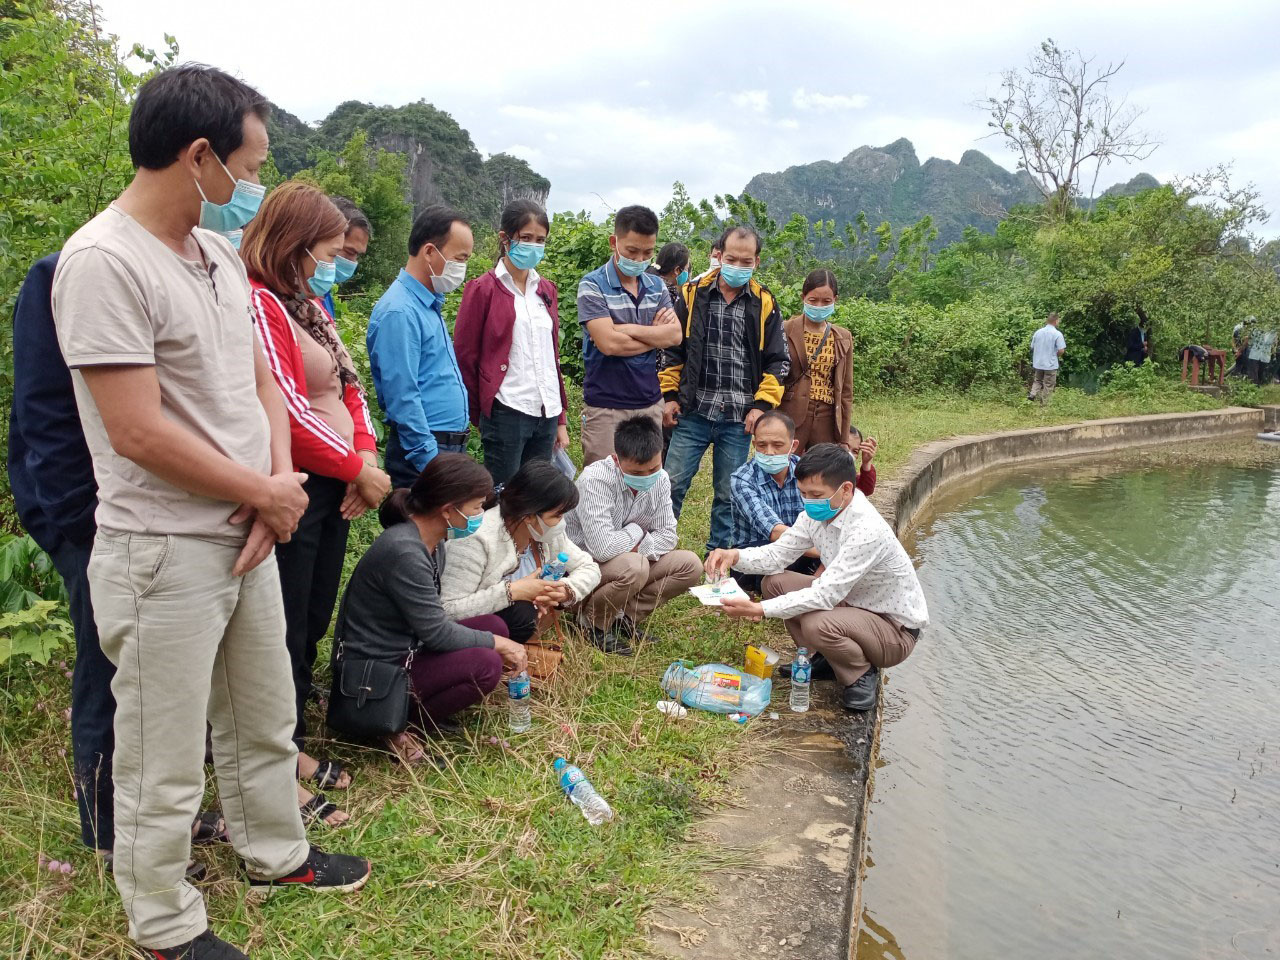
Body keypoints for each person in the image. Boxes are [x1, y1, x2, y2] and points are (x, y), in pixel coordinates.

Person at [49, 64, 369, 960]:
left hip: (248, 530)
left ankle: (276, 850)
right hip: (163, 549)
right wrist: (259, 492)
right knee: (161, 749)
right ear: (198, 157)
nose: (252, 187)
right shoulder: (104, 262)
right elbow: (137, 430)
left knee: (263, 712)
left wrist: (276, 489)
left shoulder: (217, 256)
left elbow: (260, 380)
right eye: (249, 165)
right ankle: (162, 922)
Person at [8, 254, 234, 882]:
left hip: (160, 513)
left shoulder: (187, 272)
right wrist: (80, 520)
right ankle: (108, 830)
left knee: (160, 677)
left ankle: (171, 817)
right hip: (97, 517)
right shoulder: (72, 271)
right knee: (109, 667)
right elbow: (46, 412)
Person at [243, 181, 391, 827]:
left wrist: (366, 460)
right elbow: (288, 408)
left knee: (310, 617)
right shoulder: (260, 303)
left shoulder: (309, 305)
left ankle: (291, 742)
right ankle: (271, 755)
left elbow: (348, 386)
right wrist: (355, 465)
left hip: (336, 483)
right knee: (282, 624)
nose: (330, 263)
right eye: (326, 251)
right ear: (295, 245)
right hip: (294, 482)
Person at [333, 454, 529, 759]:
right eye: (476, 507)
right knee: (486, 664)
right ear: (448, 510)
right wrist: (498, 645)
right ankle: (394, 724)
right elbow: (437, 633)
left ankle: (419, 706)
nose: (480, 514)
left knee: (495, 625)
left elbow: (432, 621)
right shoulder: (404, 553)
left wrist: (495, 638)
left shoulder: (432, 542)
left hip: (409, 646)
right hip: (378, 673)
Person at [706, 444, 928, 712]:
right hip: (852, 605)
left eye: (816, 494)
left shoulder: (865, 530)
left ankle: (858, 674)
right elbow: (778, 554)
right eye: (803, 494)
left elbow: (825, 594)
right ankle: (823, 658)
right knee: (774, 583)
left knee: (816, 623)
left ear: (846, 489)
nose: (808, 501)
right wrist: (735, 556)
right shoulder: (817, 514)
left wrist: (759, 609)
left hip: (892, 630)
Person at [661, 224, 790, 551]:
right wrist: (670, 396)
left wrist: (761, 406)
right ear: (719, 255)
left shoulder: (764, 303)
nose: (738, 266)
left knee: (728, 493)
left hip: (738, 418)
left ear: (756, 262)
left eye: (746, 261)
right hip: (693, 411)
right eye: (731, 258)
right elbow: (673, 348)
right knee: (671, 485)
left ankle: (718, 559)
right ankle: (658, 552)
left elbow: (779, 361)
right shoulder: (692, 294)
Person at [454, 199, 569, 484]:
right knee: (503, 496)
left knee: (536, 497)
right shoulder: (483, 289)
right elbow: (465, 356)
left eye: (540, 240)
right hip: (507, 410)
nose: (533, 246)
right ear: (505, 239)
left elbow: (551, 356)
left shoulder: (546, 290)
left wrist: (561, 418)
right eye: (526, 238)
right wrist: (482, 414)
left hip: (546, 410)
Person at [566, 416, 701, 653]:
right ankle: (592, 623)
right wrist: (637, 531)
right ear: (617, 460)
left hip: (624, 563)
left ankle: (623, 619)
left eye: (653, 468)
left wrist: (637, 547)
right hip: (584, 569)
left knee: (690, 565)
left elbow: (669, 535)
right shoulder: (595, 480)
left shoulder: (660, 480)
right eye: (637, 472)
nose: (647, 476)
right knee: (635, 566)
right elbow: (601, 549)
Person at [439, 460, 601, 650]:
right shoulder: (477, 540)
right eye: (557, 515)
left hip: (511, 619)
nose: (562, 522)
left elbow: (590, 567)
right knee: (521, 613)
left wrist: (565, 590)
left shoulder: (546, 533)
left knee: (561, 574)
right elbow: (447, 610)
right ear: (529, 515)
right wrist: (512, 591)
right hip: (469, 631)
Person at [368, 204, 474, 487]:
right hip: (425, 455)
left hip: (444, 448)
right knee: (418, 530)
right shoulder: (400, 311)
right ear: (430, 252)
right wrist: (431, 461)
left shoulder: (426, 305)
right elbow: (402, 397)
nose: (462, 269)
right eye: (459, 258)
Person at [576, 204, 683, 465]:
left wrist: (626, 329)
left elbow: (675, 336)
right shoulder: (592, 284)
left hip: (649, 401)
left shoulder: (657, 285)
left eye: (647, 253)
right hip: (605, 405)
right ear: (614, 242)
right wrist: (654, 336)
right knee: (602, 484)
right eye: (631, 251)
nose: (638, 260)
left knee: (646, 481)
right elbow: (609, 344)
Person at [728, 410, 819, 595]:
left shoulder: (808, 473)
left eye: (777, 445)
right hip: (759, 550)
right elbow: (774, 532)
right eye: (762, 445)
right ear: (754, 444)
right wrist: (827, 551)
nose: (769, 452)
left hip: (802, 549)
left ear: (793, 446)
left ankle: (812, 584)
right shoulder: (742, 480)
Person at [778, 268, 853, 452]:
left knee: (821, 475)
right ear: (803, 297)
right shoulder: (785, 329)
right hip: (790, 415)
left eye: (826, 301)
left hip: (826, 418)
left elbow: (845, 392)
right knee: (785, 471)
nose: (819, 306)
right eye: (813, 300)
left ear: (835, 299)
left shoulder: (843, 337)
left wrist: (844, 437)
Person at [321, 196, 370, 317]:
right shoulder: (284, 299)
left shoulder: (323, 293)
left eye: (357, 255)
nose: (353, 262)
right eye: (350, 251)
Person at [1028, 312, 1066, 405]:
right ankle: (1044, 403)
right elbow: (1061, 350)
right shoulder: (1057, 334)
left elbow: (1032, 347)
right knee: (1048, 384)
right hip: (1050, 365)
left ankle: (1032, 395)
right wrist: (1055, 355)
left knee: (1037, 380)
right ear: (1056, 321)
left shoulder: (1038, 332)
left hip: (1038, 363)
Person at [848, 425, 878, 497]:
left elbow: (866, 489)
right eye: (845, 447)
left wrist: (866, 463)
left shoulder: (848, 474)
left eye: (855, 451)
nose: (849, 453)